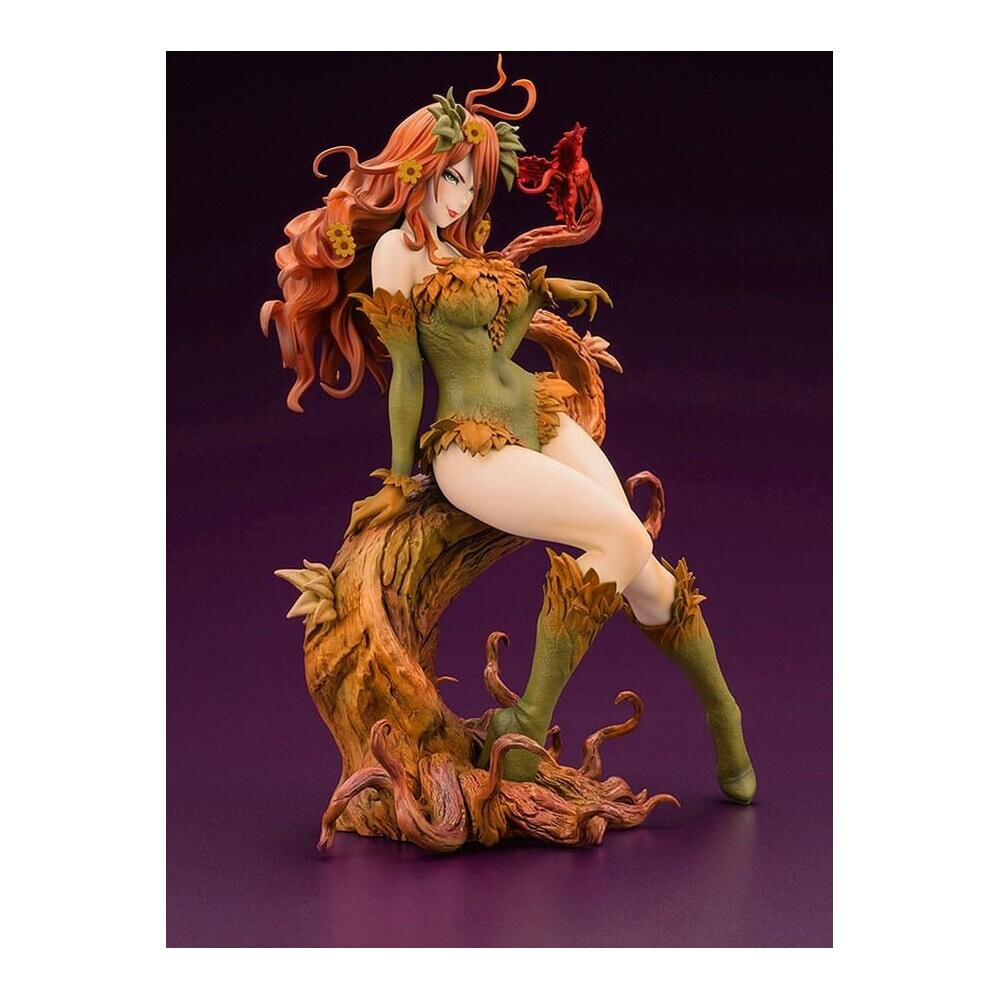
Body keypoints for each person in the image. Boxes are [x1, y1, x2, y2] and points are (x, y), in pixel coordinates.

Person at [261, 60, 756, 803]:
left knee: (639, 556)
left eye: (471, 184)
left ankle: (724, 710)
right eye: (450, 178)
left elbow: (495, 345)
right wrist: (399, 477)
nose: (460, 196)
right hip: (471, 443)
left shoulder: (463, 248)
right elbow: (409, 372)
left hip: (534, 411)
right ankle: (531, 718)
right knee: (619, 540)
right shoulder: (398, 252)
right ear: (415, 170)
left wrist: (539, 295)